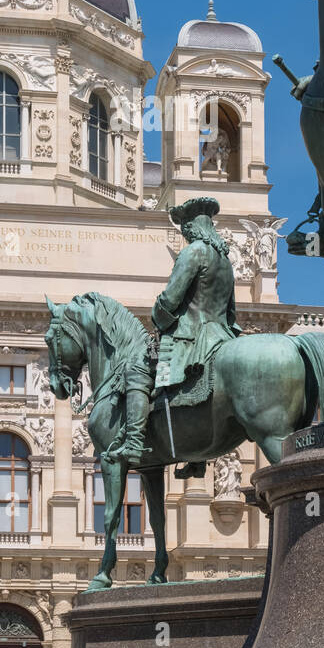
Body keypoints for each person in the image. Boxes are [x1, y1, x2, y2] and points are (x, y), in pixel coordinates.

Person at [113, 197, 240, 476]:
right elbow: (231, 310)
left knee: (136, 371)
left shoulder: (193, 252)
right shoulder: (225, 259)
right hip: (224, 334)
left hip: (193, 336)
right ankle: (197, 457)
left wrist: (159, 314)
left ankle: (134, 441)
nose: (183, 232)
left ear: (193, 226)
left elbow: (171, 298)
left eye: (185, 226)